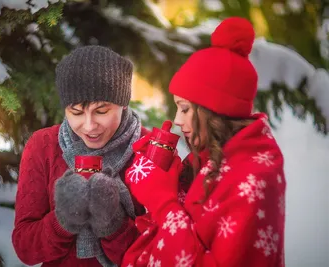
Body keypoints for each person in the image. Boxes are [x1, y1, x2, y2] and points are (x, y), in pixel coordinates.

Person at [122, 17, 286, 267]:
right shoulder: (216, 159)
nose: (177, 120)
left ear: (215, 111)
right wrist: (174, 179)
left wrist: (162, 200)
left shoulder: (251, 182)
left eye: (185, 109)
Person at [12, 45, 148, 267]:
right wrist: (62, 220)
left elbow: (159, 254)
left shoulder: (149, 148)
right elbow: (25, 249)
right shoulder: (43, 145)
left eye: (101, 111)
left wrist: (114, 224)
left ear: (123, 104)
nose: (89, 126)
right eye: (76, 112)